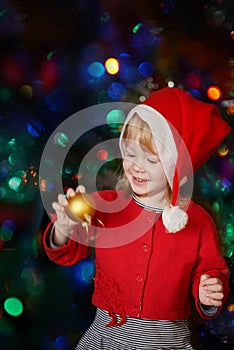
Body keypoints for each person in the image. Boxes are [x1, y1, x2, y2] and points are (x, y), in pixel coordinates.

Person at [43, 87, 231, 350]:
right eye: (130, 154)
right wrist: (63, 229)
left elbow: (211, 271)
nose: (136, 166)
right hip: (107, 338)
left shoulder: (198, 222)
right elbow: (67, 252)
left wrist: (209, 293)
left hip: (167, 341)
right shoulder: (106, 204)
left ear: (177, 166)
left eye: (151, 160)